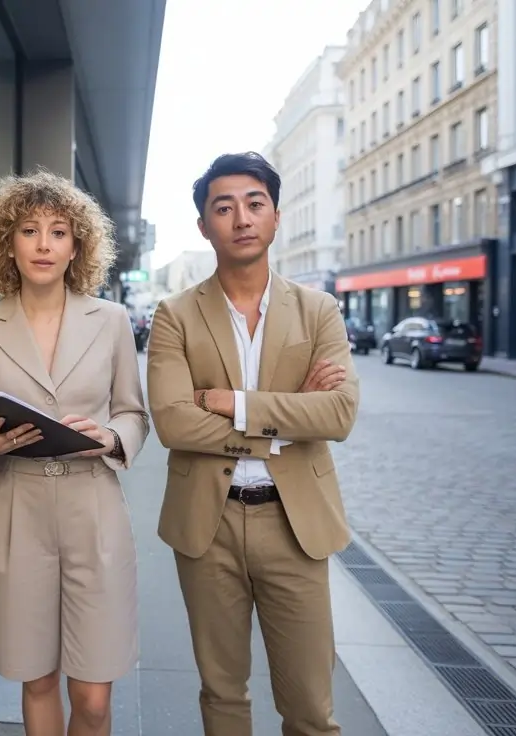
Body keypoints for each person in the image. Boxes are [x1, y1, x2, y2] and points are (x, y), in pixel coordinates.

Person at [145, 152, 359, 736]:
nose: (241, 217)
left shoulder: (319, 311)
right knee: (222, 693)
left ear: (275, 216)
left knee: (312, 708)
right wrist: (290, 420)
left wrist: (236, 403)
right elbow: (173, 423)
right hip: (206, 527)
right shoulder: (175, 315)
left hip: (295, 526)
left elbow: (338, 414)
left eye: (254, 203)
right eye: (224, 206)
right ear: (204, 226)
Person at [0, 170, 149, 736]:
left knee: (91, 697)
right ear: (6, 243)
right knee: (36, 681)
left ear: (76, 244)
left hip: (94, 510)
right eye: (29, 230)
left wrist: (110, 438)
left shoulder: (110, 321)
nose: (43, 244)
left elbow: (134, 414)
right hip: (17, 508)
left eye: (58, 232)